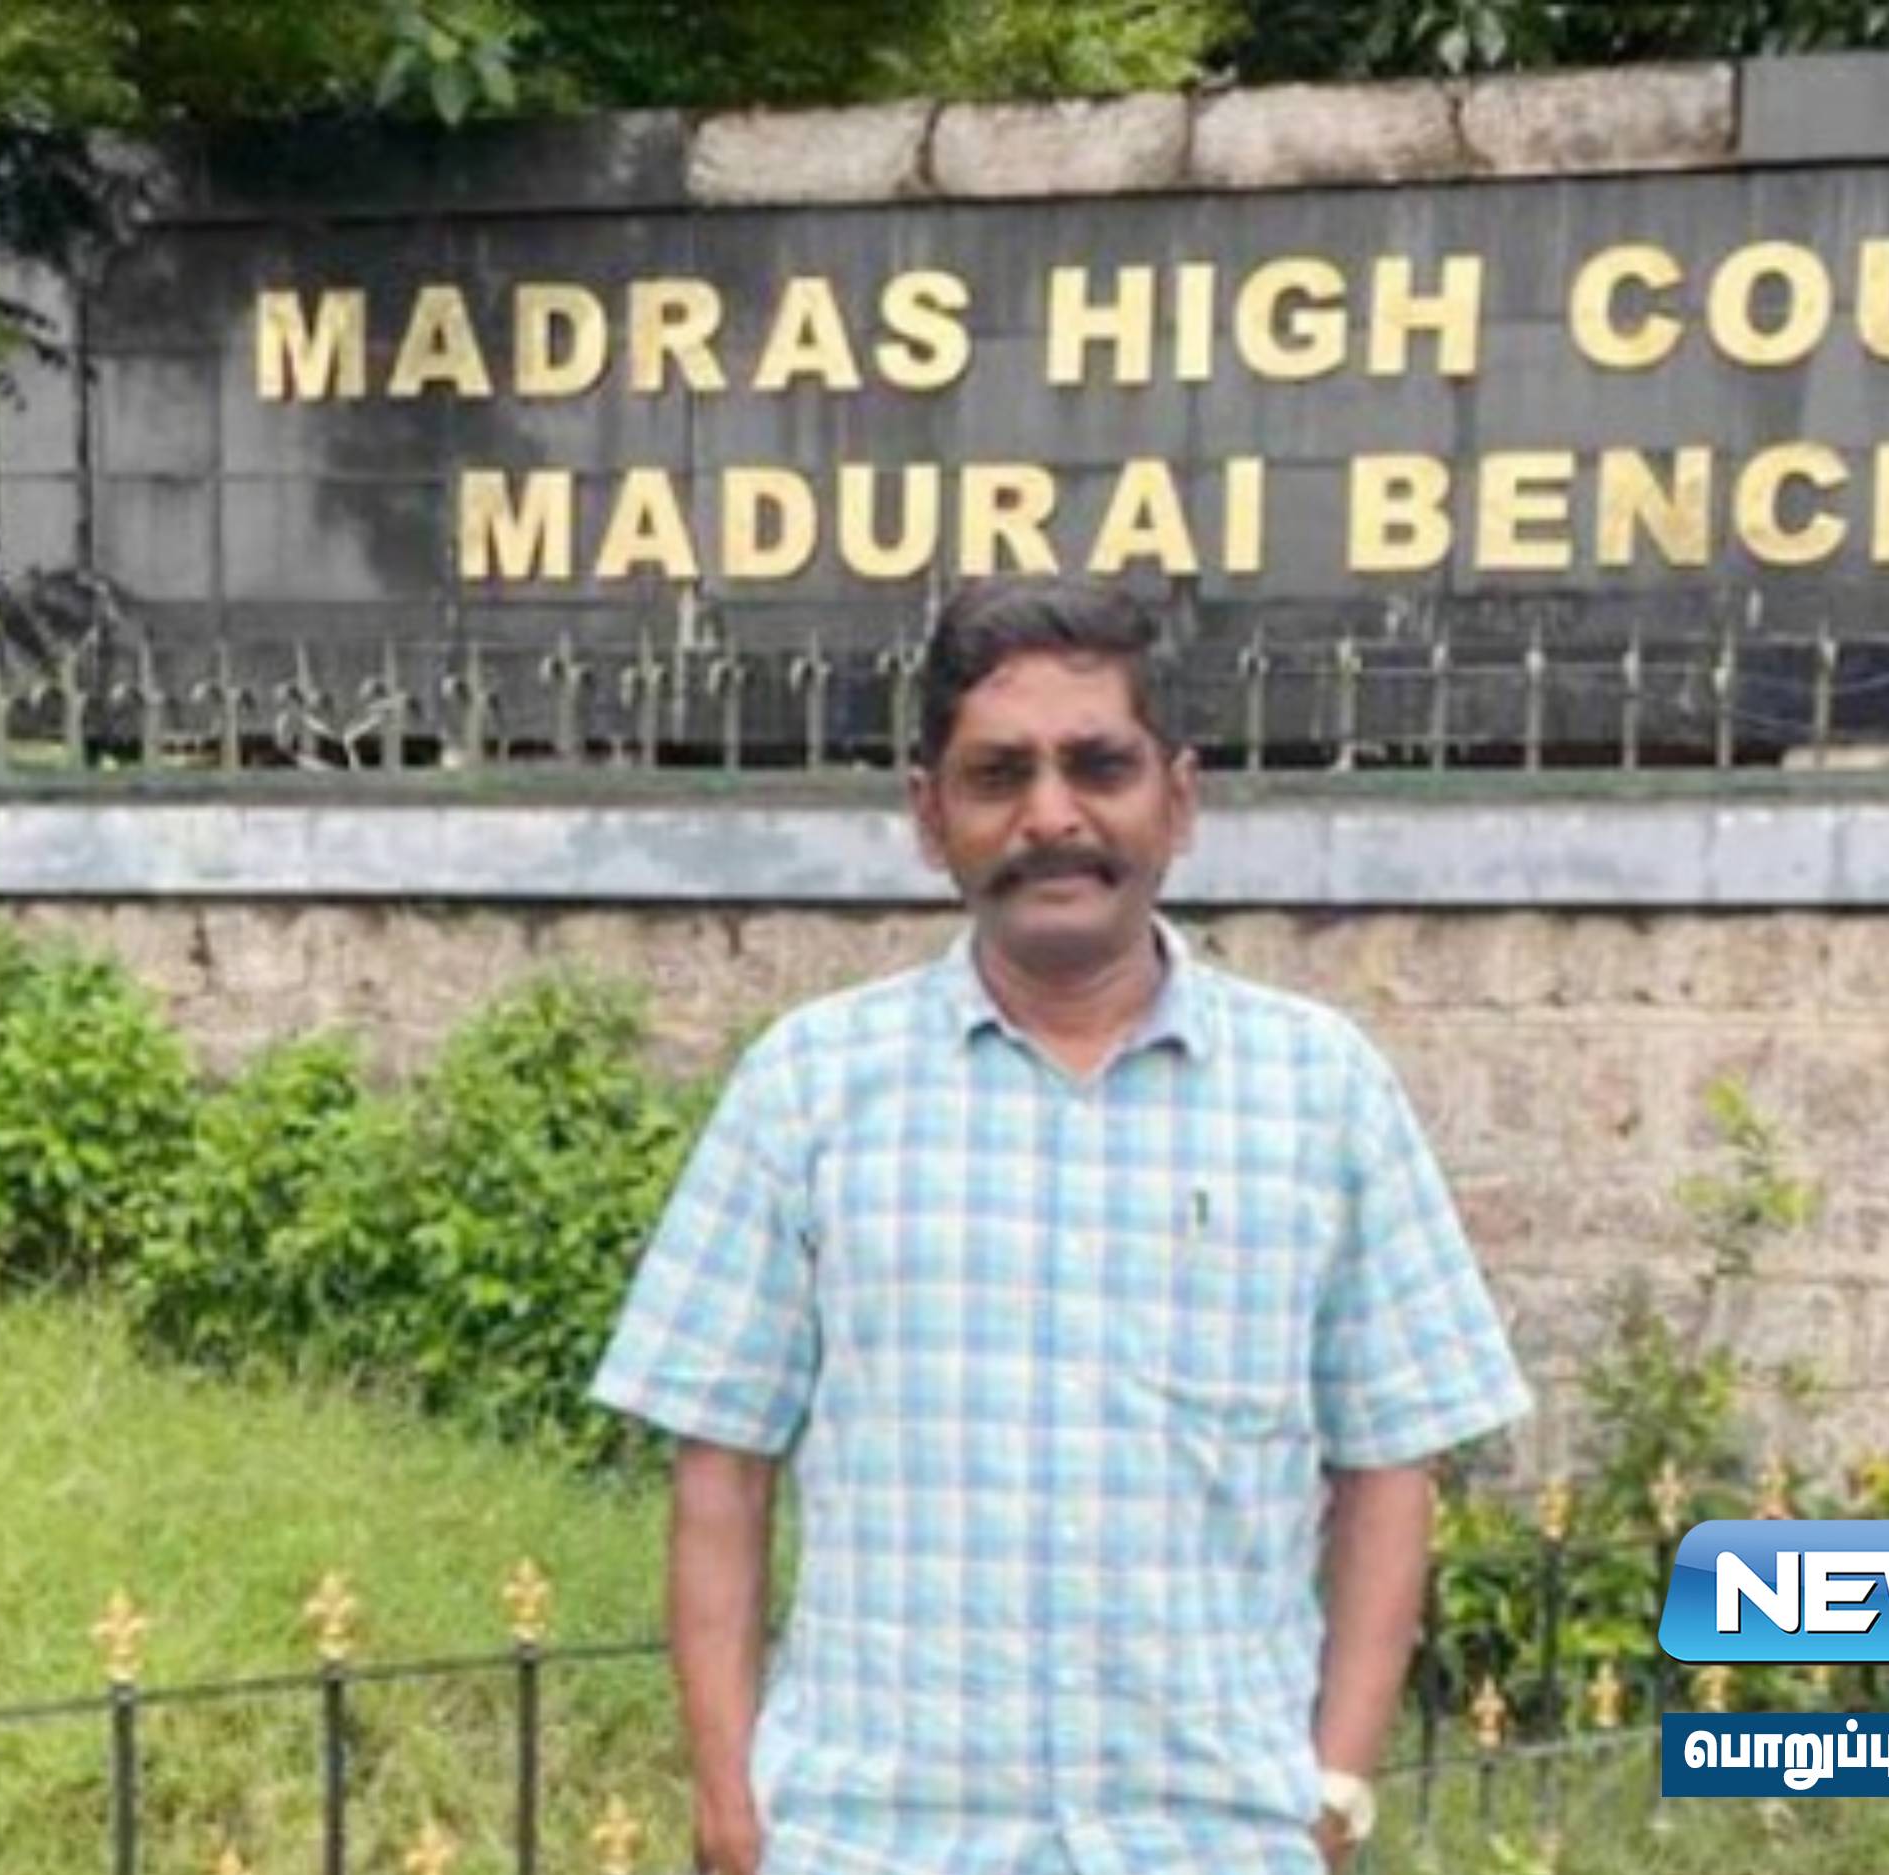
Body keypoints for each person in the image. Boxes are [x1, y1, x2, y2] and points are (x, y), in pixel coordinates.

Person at [587, 576, 1533, 1875]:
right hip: (874, 1842)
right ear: (930, 815)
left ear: (1177, 799)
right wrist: (729, 1807)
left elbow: (1389, 1466)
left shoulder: (1321, 1092)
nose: (1050, 816)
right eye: (998, 775)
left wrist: (1333, 1791)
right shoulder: (809, 1088)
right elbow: (720, 1464)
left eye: (1099, 766)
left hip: (1211, 1844)